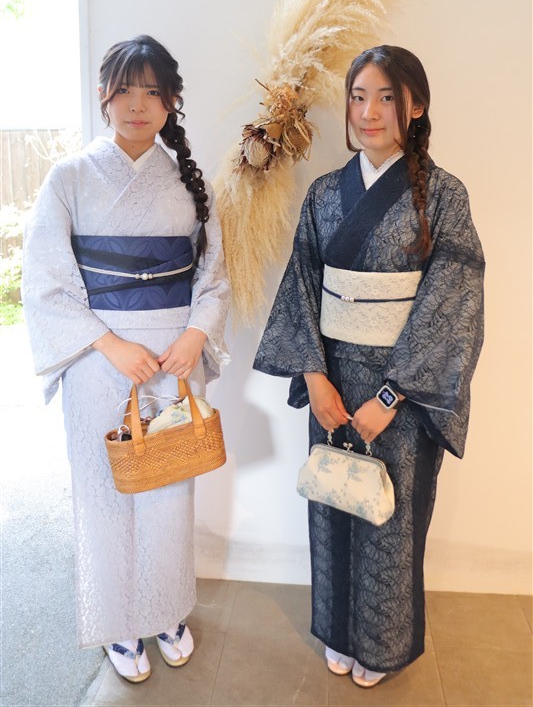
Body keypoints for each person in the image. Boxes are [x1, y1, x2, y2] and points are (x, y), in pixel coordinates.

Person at [253, 45, 484, 688]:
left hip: (401, 394)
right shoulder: (326, 193)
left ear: (417, 106)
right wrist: (314, 378)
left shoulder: (444, 196)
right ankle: (338, 630)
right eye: (358, 97)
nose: (369, 112)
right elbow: (302, 285)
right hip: (331, 380)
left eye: (386, 97)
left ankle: (380, 645)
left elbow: (453, 304)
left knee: (390, 517)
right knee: (332, 504)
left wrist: (390, 396)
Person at [22, 35, 230, 683]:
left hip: (172, 361)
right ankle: (118, 622)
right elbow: (45, 282)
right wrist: (110, 344)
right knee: (104, 489)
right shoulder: (70, 178)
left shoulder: (190, 184)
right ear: (103, 95)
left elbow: (214, 280)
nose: (138, 104)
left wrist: (194, 338)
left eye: (153, 91)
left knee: (168, 487)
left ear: (171, 102)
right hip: (98, 360)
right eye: (125, 89)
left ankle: (165, 611)